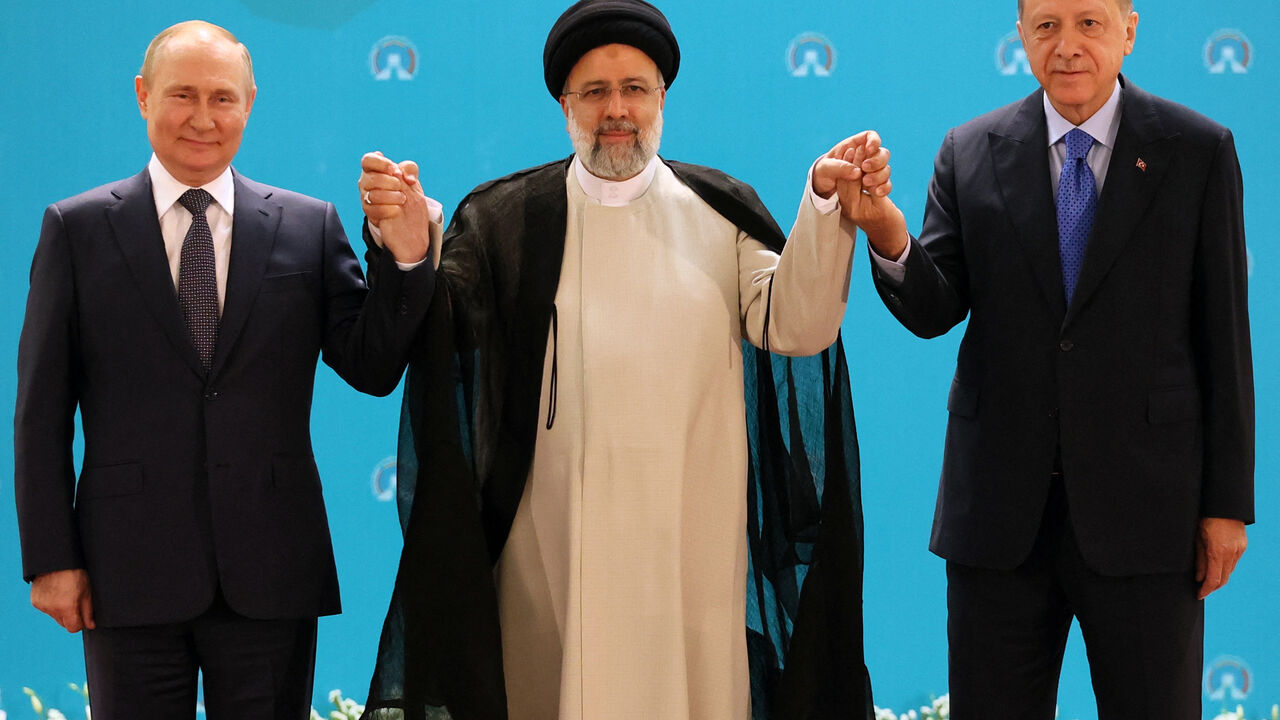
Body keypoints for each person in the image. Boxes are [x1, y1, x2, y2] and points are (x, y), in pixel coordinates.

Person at [353, 1, 900, 718]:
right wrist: (409, 242)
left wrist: (825, 205)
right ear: (564, 104)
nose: (618, 110)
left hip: (689, 537)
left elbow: (794, 324)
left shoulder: (719, 210)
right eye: (596, 92)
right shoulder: (505, 218)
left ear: (662, 98)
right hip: (550, 545)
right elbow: (443, 333)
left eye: (635, 89)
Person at [13, 20, 433, 720]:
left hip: (272, 566)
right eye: (182, 95)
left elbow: (373, 365)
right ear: (144, 96)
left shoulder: (307, 225)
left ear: (250, 103)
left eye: (222, 98)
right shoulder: (77, 228)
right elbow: (40, 411)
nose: (202, 118)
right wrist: (51, 558)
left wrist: (408, 258)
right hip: (128, 567)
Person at [861, 0, 1254, 717]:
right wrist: (887, 233)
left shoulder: (1196, 150)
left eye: (1089, 23)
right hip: (999, 520)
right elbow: (933, 307)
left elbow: (1223, 335)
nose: (1067, 46)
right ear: (1021, 36)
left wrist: (1227, 507)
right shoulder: (969, 150)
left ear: (1129, 30)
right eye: (1046, 26)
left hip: (1148, 515)